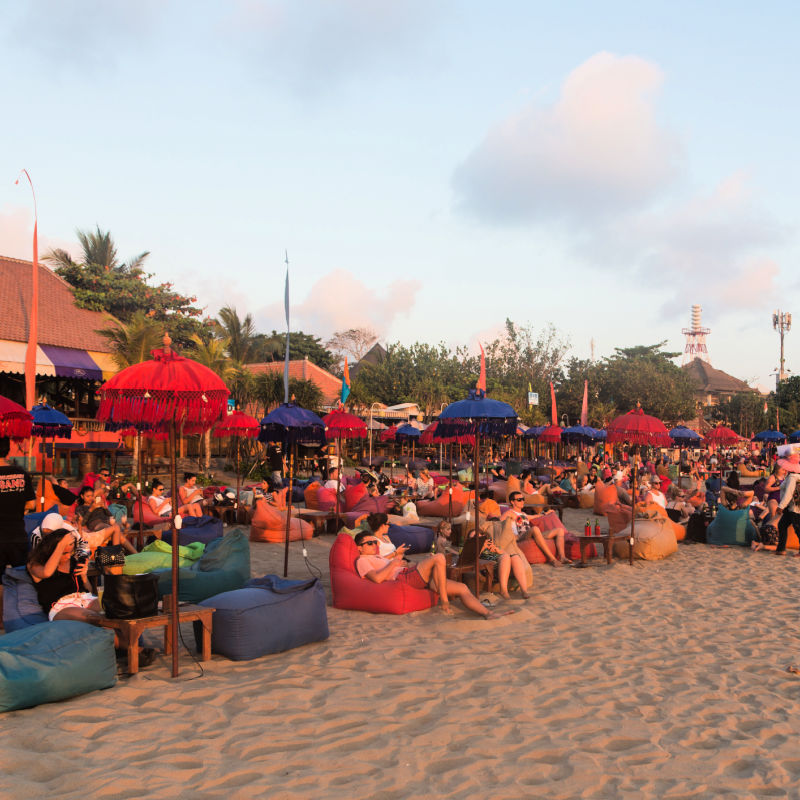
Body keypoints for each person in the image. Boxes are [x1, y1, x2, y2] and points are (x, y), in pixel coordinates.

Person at [353, 529, 503, 619]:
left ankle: (487, 613)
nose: (374, 545)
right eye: (370, 543)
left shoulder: (377, 557)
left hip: (409, 572)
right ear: (359, 548)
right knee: (439, 557)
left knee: (462, 587)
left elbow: (388, 568)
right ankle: (445, 602)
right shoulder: (362, 560)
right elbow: (377, 578)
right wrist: (394, 563)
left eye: (375, 542)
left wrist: (399, 561)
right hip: (405, 578)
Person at [0, 436, 36, 613]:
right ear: (8, 450)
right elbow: (31, 504)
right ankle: (22, 613)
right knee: (21, 577)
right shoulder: (21, 473)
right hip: (17, 535)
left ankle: (1, 619)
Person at [463, 526, 530, 600]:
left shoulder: (491, 545)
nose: (476, 539)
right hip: (489, 570)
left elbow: (504, 553)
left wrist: (495, 549)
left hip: (503, 568)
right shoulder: (474, 551)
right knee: (505, 556)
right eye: (472, 538)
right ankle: (503, 591)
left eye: (477, 536)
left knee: (515, 557)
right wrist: (482, 548)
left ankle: (524, 590)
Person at [75, 486, 135, 554]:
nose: (90, 498)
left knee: (119, 534)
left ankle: (134, 554)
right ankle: (118, 554)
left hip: (106, 523)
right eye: (87, 496)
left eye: (92, 496)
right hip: (96, 526)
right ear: (82, 496)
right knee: (117, 528)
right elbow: (82, 523)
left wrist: (105, 508)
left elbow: (110, 516)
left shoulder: (97, 504)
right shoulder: (80, 508)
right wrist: (91, 509)